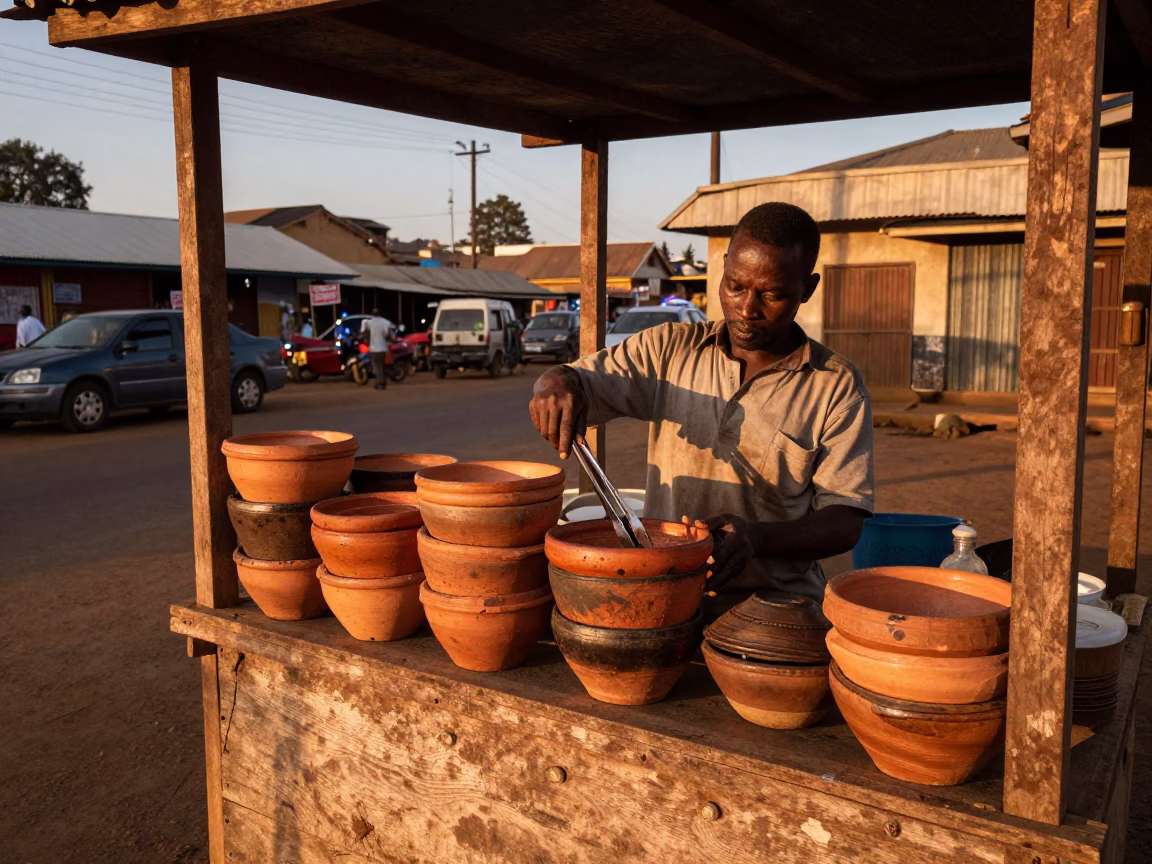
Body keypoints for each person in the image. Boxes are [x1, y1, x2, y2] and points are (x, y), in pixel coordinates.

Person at [529, 202, 874, 613]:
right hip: (664, 593)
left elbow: (844, 520)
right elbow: (574, 378)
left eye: (772, 294)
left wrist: (757, 538)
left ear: (808, 288)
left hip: (775, 608)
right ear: (724, 267)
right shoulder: (668, 349)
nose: (747, 309)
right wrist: (555, 384)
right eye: (735, 286)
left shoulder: (836, 384)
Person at [361, 309, 395, 390]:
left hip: (373, 348)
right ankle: (381, 383)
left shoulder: (369, 322)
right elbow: (389, 333)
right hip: (383, 348)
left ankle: (379, 383)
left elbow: (363, 330)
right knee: (381, 366)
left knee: (376, 367)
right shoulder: (384, 322)